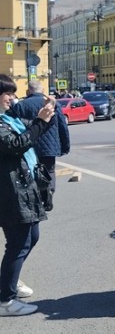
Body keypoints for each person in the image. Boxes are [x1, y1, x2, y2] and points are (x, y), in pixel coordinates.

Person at [0, 74, 56, 316]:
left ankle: (9, 282)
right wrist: (40, 122)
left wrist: (46, 113)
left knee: (30, 238)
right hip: (10, 191)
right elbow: (17, 144)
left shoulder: (7, 117)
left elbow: (29, 134)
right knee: (19, 243)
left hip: (22, 186)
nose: (12, 98)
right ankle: (6, 301)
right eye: (8, 94)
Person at [10, 80, 70, 209]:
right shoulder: (52, 104)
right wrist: (65, 146)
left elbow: (15, 127)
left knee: (31, 171)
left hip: (30, 146)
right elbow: (62, 126)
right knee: (49, 171)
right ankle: (48, 196)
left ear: (28, 91)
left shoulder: (21, 105)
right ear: (42, 91)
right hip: (50, 146)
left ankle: (35, 199)